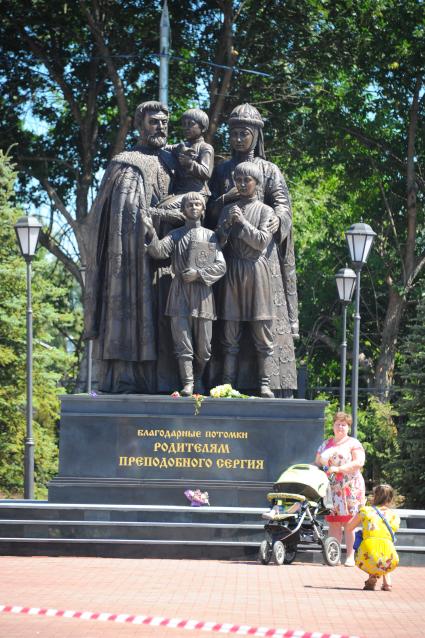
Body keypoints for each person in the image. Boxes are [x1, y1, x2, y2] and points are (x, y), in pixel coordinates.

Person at [84, 100, 183, 393]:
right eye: (154, 121)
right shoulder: (125, 161)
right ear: (140, 125)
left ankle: (169, 379)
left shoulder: (174, 161)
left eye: (164, 122)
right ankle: (127, 378)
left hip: (170, 254)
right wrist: (153, 217)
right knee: (131, 312)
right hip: (131, 255)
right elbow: (120, 210)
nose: (160, 127)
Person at [207, 103, 297, 396]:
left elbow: (282, 203)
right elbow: (206, 209)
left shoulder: (270, 170)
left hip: (261, 258)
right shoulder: (221, 169)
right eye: (232, 133)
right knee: (228, 324)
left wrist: (276, 219)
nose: (237, 139)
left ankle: (267, 383)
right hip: (230, 261)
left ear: (256, 135)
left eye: (243, 133)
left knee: (263, 323)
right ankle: (222, 382)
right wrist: (225, 200)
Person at [145, 192, 226, 396]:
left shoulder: (211, 236)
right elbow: (159, 252)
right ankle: (188, 383)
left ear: (203, 209)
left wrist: (199, 274)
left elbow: (221, 266)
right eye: (189, 204)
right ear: (183, 210)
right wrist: (150, 232)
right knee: (183, 343)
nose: (194, 207)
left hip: (203, 295)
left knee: (204, 348)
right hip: (179, 292)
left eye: (198, 204)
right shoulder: (175, 235)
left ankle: (198, 378)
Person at [215, 162, 275, 398]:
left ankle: (265, 383)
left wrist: (242, 223)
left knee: (261, 329)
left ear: (256, 183)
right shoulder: (228, 209)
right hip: (232, 271)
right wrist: (227, 226)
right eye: (237, 180)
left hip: (256, 272)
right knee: (230, 329)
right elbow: (217, 243)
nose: (241, 184)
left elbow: (261, 241)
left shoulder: (265, 211)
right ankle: (228, 383)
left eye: (246, 180)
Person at [315, 411, 366, 566]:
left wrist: (339, 469)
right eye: (338, 424)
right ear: (333, 426)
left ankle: (350, 557)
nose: (340, 427)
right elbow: (317, 462)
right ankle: (334, 557)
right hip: (331, 488)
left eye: (344, 425)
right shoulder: (325, 444)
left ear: (348, 427)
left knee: (350, 522)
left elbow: (359, 462)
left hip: (350, 487)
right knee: (333, 523)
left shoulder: (353, 443)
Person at [346, 484, 400, 590]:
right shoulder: (394, 516)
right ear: (391, 498)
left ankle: (373, 575)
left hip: (367, 556)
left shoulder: (366, 511)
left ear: (375, 496)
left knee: (371, 548)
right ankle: (387, 582)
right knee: (384, 547)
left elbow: (348, 528)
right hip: (390, 559)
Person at [161, 108, 214, 208]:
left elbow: (206, 173)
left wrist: (190, 163)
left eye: (191, 124)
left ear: (202, 127)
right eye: (184, 124)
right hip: (180, 191)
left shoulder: (205, 147)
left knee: (165, 207)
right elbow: (163, 147)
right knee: (160, 205)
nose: (186, 128)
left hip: (197, 193)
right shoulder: (180, 147)